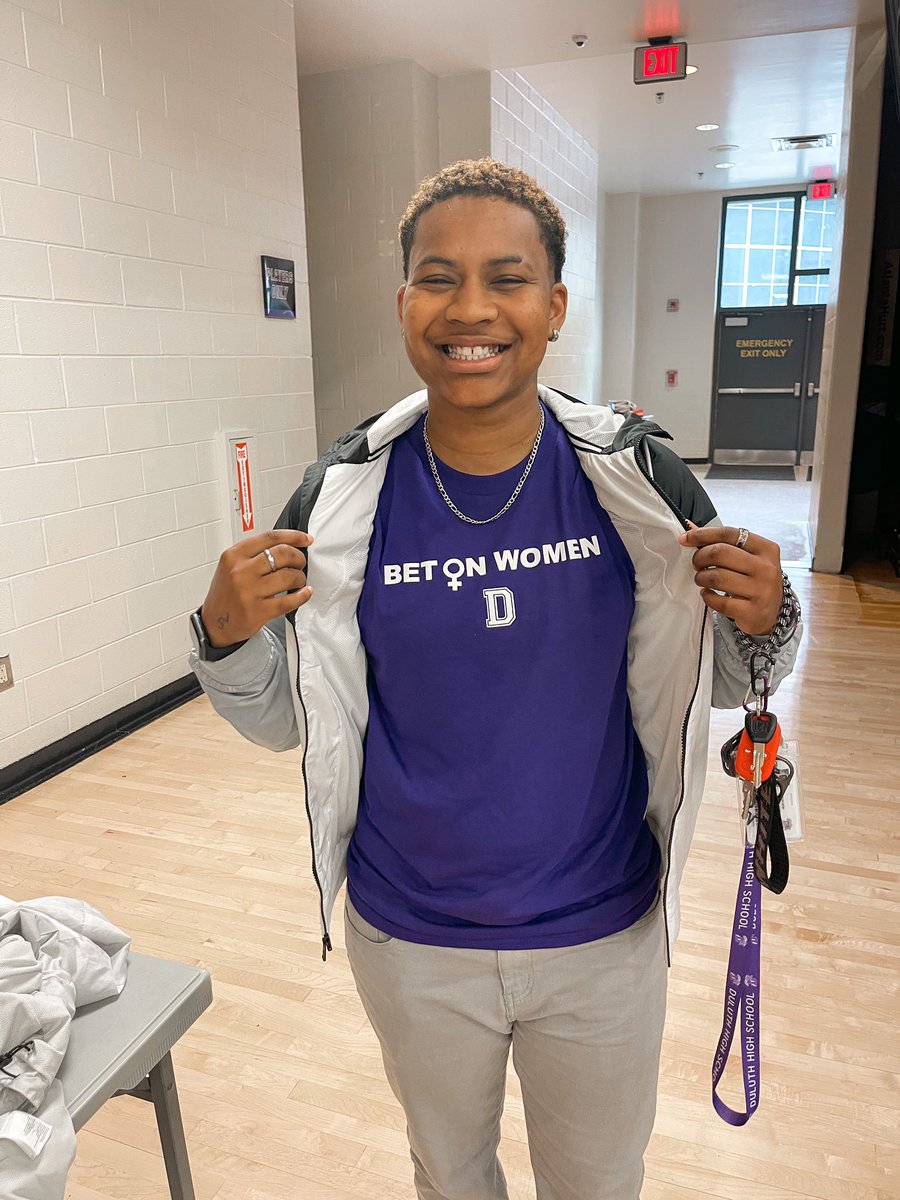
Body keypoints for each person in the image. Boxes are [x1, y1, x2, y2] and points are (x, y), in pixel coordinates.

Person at [188, 159, 800, 1200]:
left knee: (599, 1183)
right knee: (451, 1175)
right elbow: (287, 725)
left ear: (554, 306)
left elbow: (735, 675)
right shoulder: (337, 501)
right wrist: (222, 635)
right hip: (413, 939)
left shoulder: (640, 483)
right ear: (403, 303)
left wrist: (768, 615)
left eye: (507, 279)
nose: (471, 309)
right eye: (439, 277)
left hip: (604, 932)